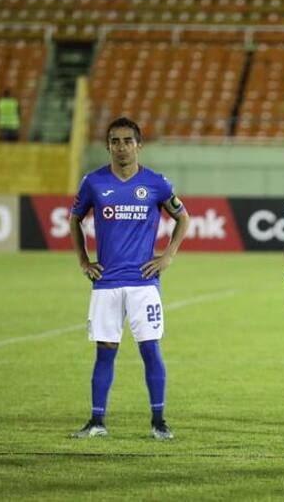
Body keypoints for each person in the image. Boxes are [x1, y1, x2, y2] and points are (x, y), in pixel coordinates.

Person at [69, 117, 190, 440]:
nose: (121, 147)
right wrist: (83, 260)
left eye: (127, 141)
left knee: (150, 349)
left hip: (143, 284)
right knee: (105, 350)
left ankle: (159, 421)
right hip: (106, 283)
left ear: (139, 145)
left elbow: (182, 217)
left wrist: (167, 256)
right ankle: (96, 421)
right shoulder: (93, 182)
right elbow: (75, 218)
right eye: (114, 141)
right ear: (107, 145)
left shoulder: (156, 183)